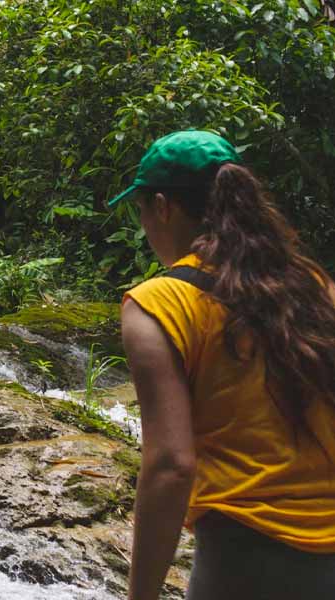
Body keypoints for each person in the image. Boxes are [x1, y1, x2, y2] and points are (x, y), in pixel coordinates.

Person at [110, 131, 335, 600]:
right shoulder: (313, 287)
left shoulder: (158, 302)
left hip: (246, 555)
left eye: (142, 211)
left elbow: (172, 465)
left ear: (163, 207)